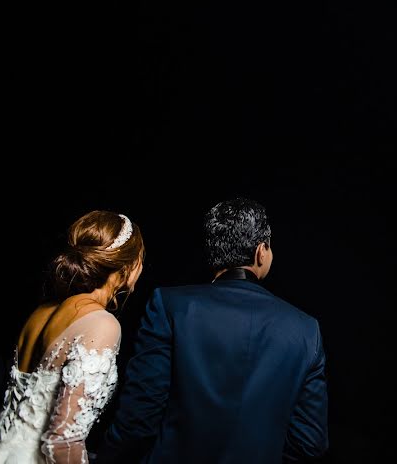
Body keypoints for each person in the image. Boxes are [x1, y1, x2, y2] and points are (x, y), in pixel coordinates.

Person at [97, 198, 328, 464]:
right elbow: (310, 442)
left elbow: (139, 417)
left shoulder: (170, 306)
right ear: (261, 252)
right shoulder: (305, 329)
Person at [0, 210, 145, 464]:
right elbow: (61, 442)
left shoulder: (41, 312)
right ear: (128, 266)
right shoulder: (102, 324)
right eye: (141, 259)